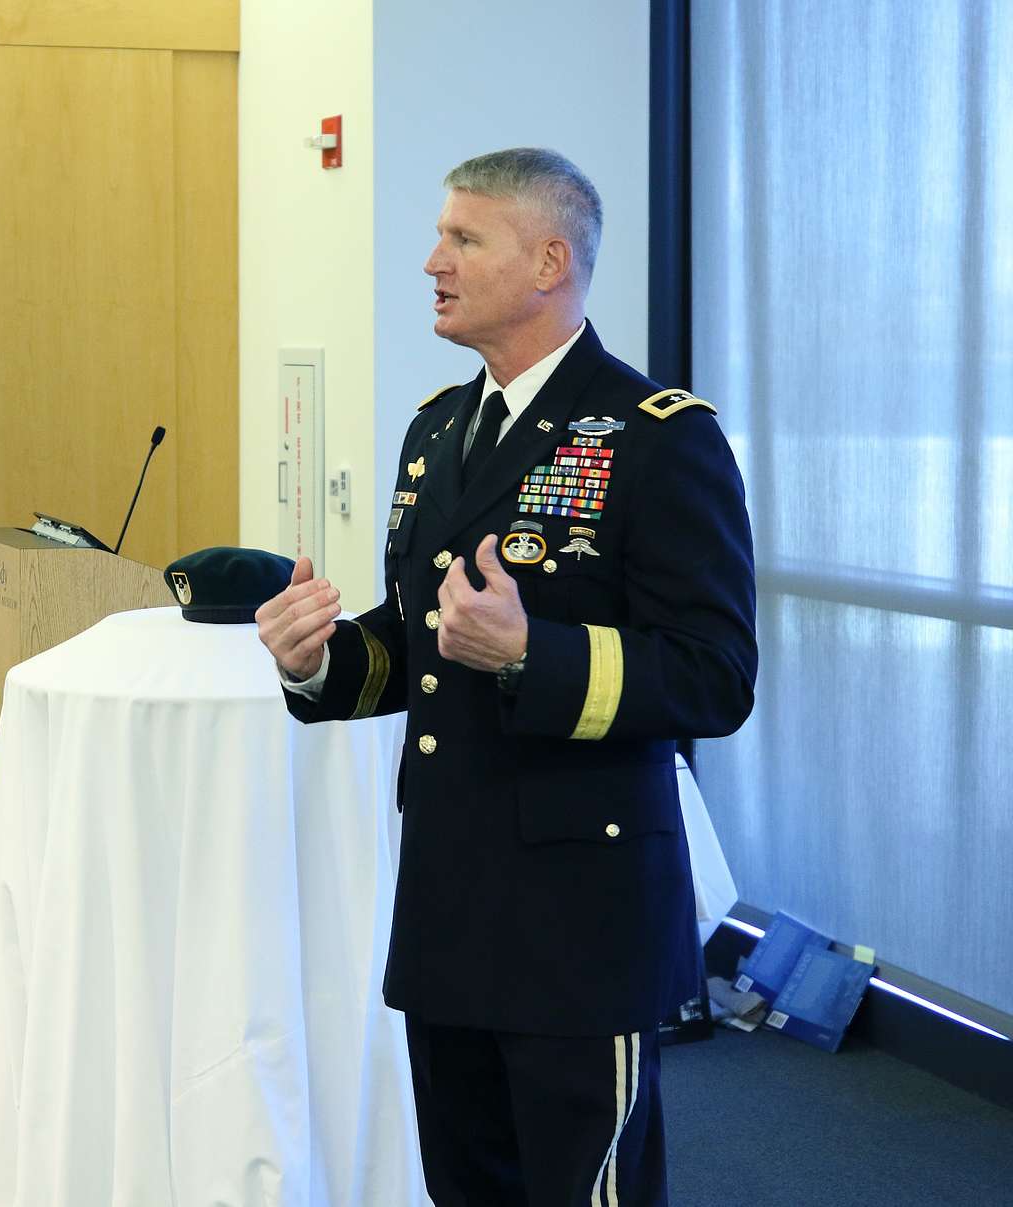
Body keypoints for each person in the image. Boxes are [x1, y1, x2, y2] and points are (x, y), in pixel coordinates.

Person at [256, 148, 756, 1206]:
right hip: (451, 896)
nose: (431, 260)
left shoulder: (658, 437)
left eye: (462, 238)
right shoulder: (439, 429)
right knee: (468, 1184)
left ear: (547, 261)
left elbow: (716, 677)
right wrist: (319, 660)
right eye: (440, 235)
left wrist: (535, 653)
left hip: (583, 912)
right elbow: (417, 641)